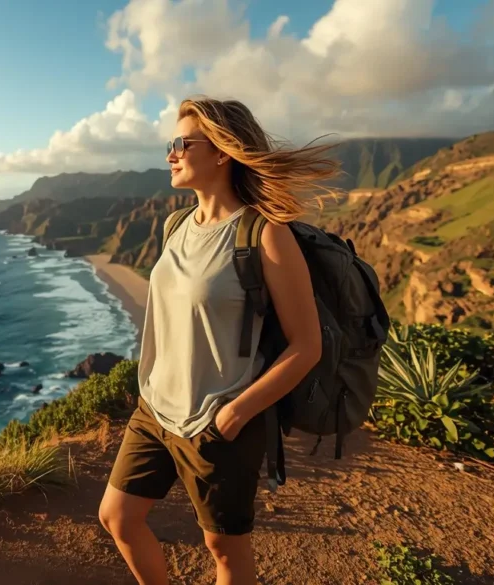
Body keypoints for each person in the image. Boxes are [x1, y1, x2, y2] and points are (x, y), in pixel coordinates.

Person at [98, 96, 341, 585]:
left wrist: (235, 413)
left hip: (219, 415)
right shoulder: (175, 225)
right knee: (117, 517)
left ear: (221, 152)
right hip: (155, 409)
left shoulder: (264, 234)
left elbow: (306, 345)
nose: (170, 153)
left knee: (223, 550)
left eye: (180, 143)